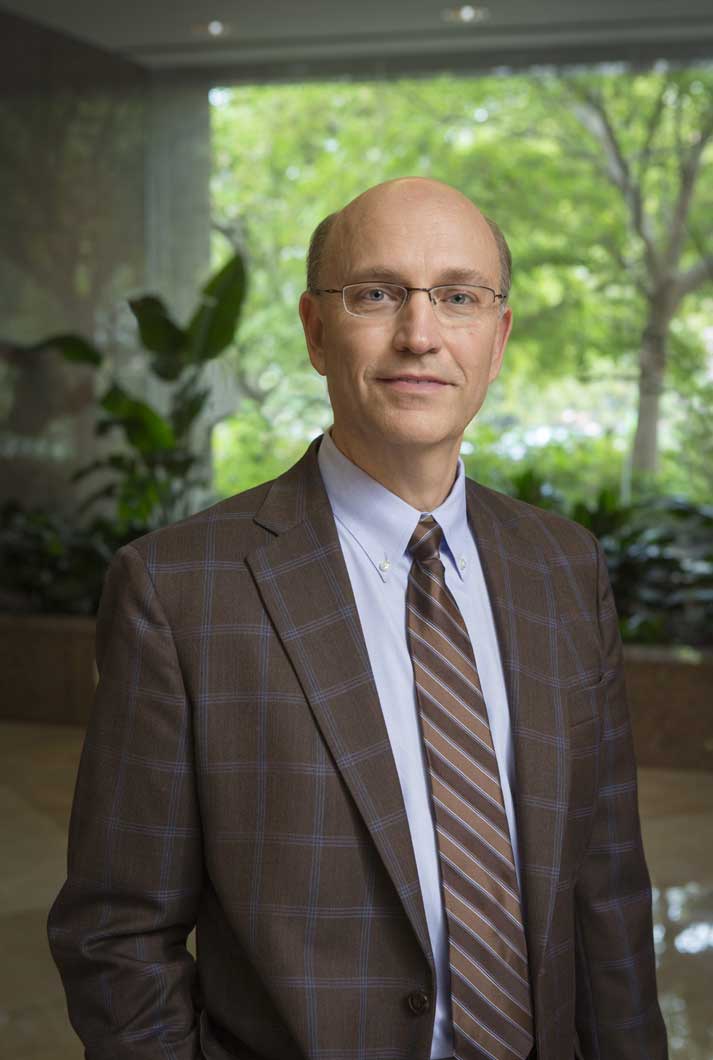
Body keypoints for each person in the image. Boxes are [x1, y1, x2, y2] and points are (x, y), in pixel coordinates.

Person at [48, 177, 668, 1060]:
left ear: (496, 338)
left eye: (458, 297)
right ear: (313, 330)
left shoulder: (562, 566)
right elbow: (115, 934)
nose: (419, 334)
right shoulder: (180, 590)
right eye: (376, 293)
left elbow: (605, 890)